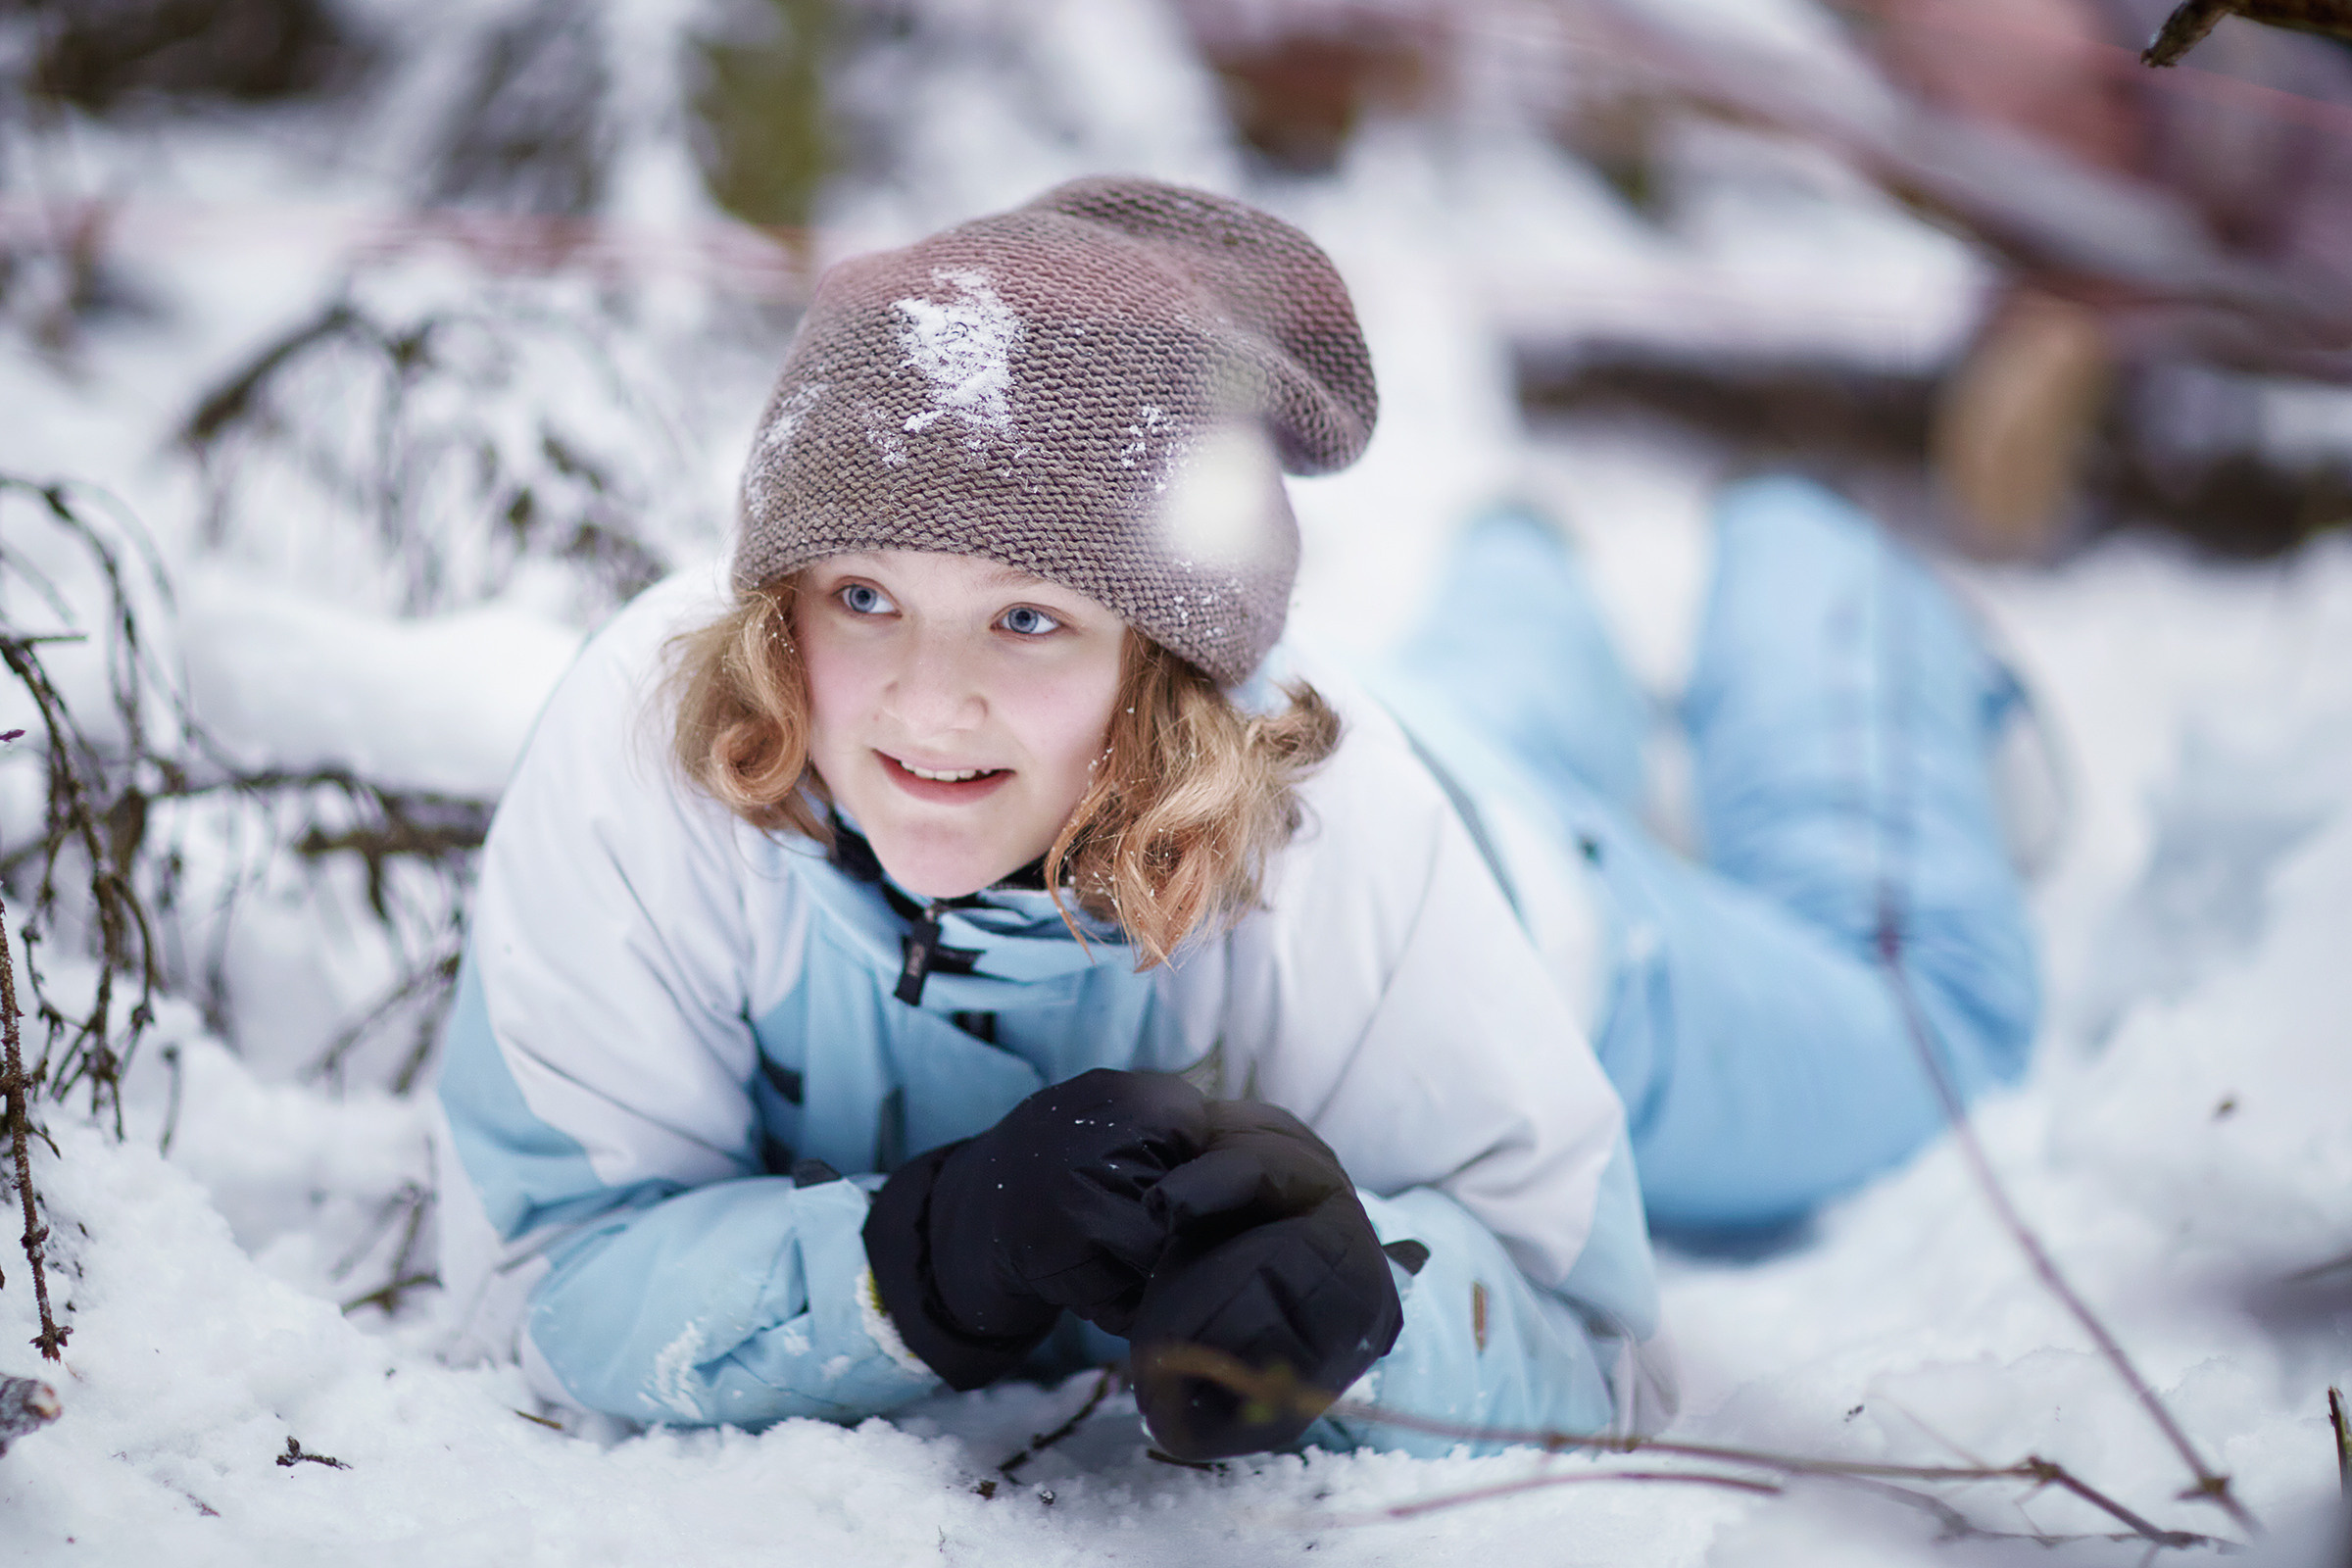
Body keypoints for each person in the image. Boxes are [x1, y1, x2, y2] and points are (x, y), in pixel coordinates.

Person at [434, 174, 2034, 1460]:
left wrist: (1383, 1312)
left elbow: (1591, 1335)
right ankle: (1523, 569)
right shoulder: (667, 751)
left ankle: (1813, 566)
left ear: (1168, 676)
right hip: (1410, 714)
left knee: (1932, 1017)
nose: (924, 703)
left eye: (1028, 619)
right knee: (1499, 695)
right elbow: (541, 1276)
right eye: (863, 596)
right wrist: (916, 1260)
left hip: (1548, 919)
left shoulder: (1330, 834)